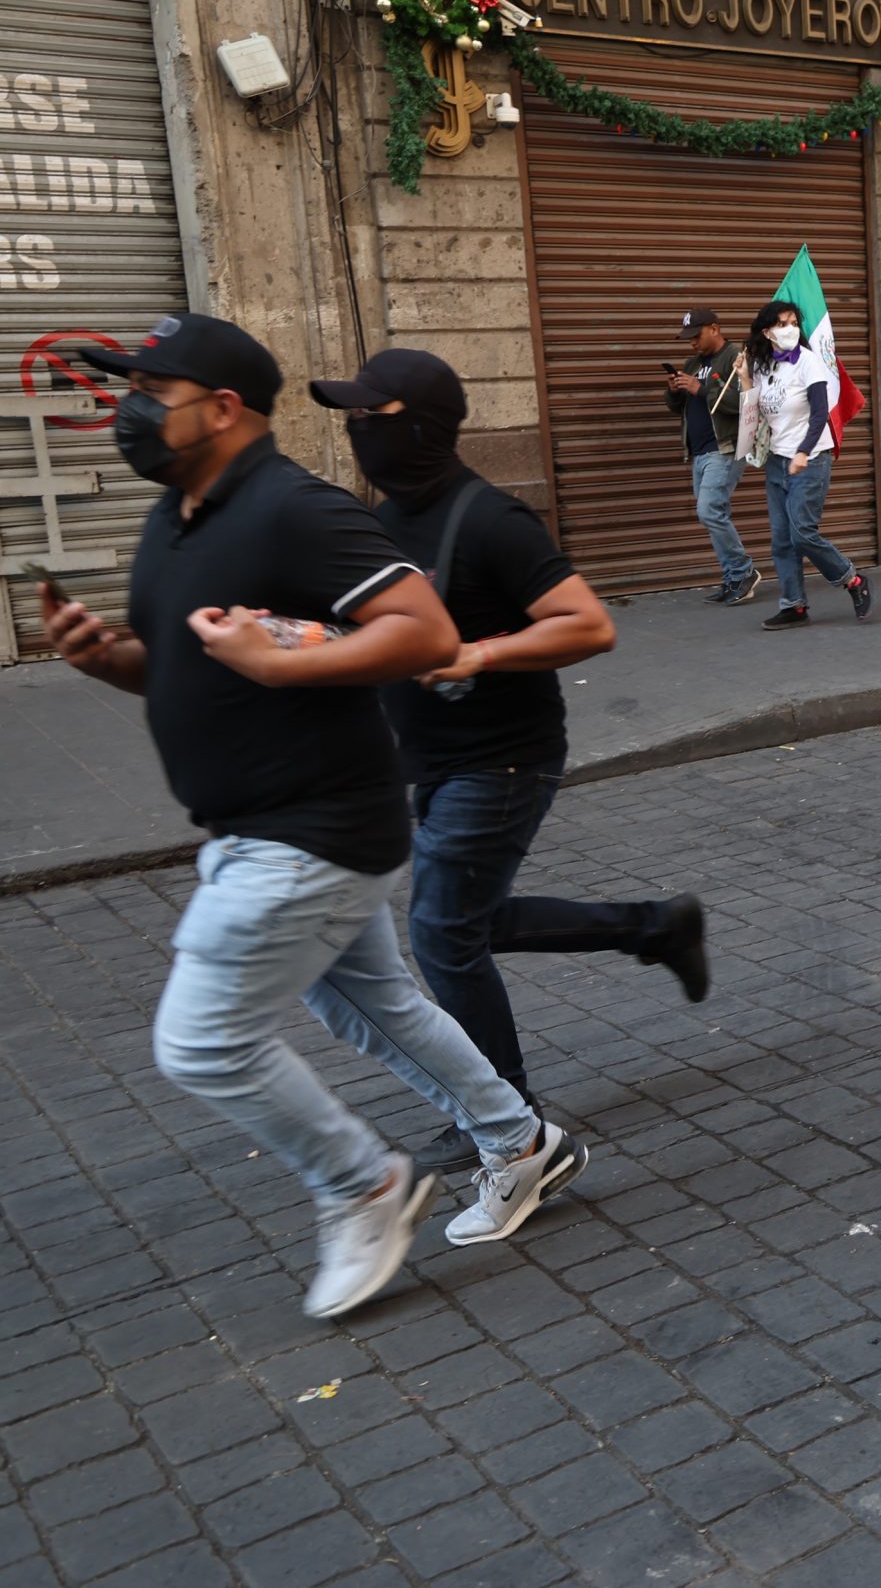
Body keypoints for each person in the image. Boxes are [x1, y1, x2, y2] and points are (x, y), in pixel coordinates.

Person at [40, 314, 585, 1320]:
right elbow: (185, 674)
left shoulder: (294, 508)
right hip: (256, 824)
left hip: (315, 827)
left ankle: (364, 1184)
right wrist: (106, 658)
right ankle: (520, 1141)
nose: (127, 415)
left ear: (222, 408)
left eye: (147, 396)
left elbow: (423, 632)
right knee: (369, 1004)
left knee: (201, 1041)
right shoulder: (177, 517)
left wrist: (282, 657)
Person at [311, 348, 713, 1175]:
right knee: (474, 921)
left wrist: (478, 654)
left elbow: (587, 624)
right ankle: (656, 925)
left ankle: (504, 1113)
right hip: (429, 759)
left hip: (503, 759)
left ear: (421, 425)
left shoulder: (491, 519)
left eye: (369, 416)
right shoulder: (377, 524)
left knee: (440, 931)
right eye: (348, 416)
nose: (354, 431)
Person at [741, 298, 873, 631]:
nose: (790, 330)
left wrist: (802, 452)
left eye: (793, 323)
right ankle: (793, 606)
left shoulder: (809, 362)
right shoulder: (762, 366)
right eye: (781, 324)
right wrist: (744, 377)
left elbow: (819, 414)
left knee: (803, 533)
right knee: (782, 539)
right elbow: (753, 412)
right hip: (777, 461)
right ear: (767, 331)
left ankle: (852, 579)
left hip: (811, 459)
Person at [668, 309, 760, 605]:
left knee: (709, 511)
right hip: (699, 451)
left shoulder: (737, 358)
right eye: (688, 338)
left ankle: (743, 572)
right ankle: (734, 576)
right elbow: (677, 406)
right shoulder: (693, 363)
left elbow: (744, 402)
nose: (692, 343)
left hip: (725, 448)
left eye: (696, 336)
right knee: (712, 515)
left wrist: (701, 388)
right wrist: (675, 391)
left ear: (714, 329)